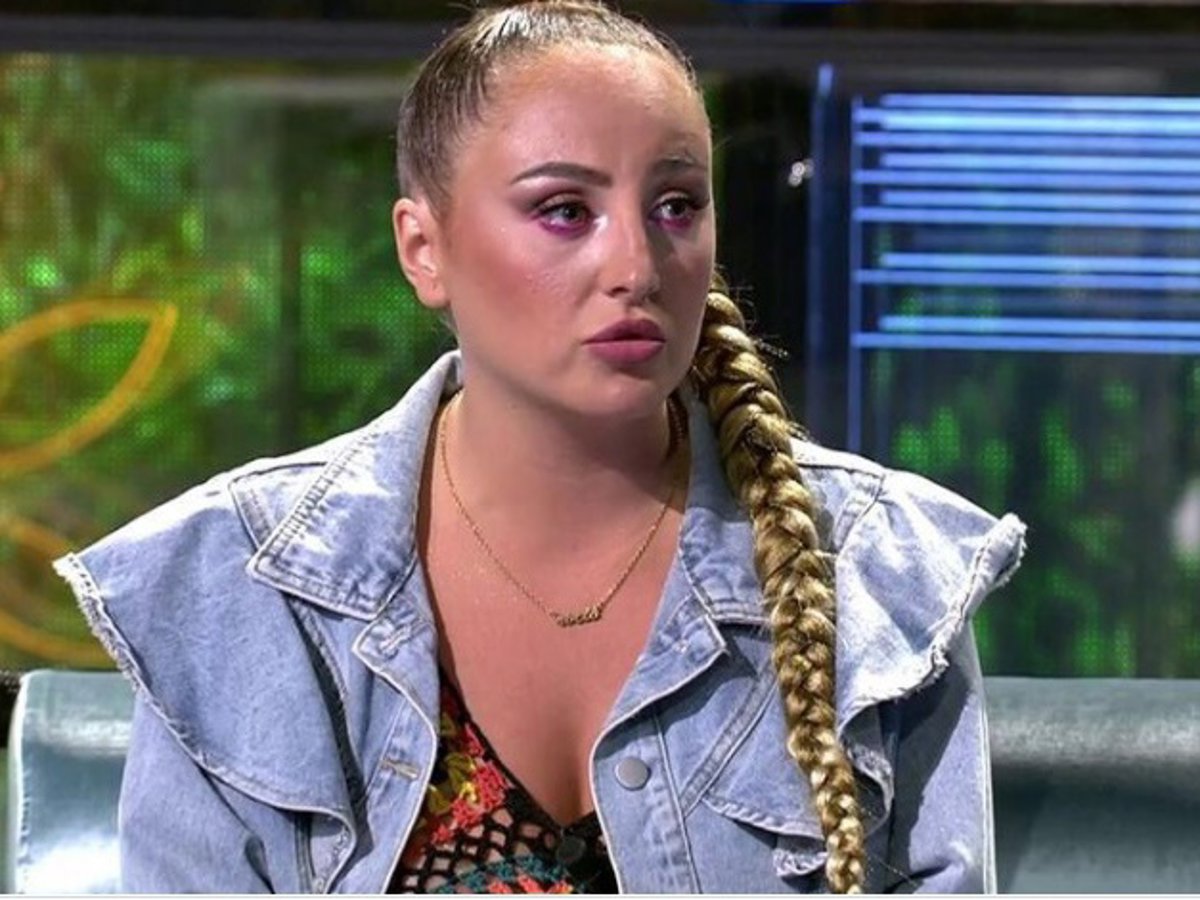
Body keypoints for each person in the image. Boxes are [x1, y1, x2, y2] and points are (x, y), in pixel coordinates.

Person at [54, 1, 1026, 893]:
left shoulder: (880, 574)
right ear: (422, 249)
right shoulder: (236, 591)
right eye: (565, 211)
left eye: (677, 205)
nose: (637, 266)